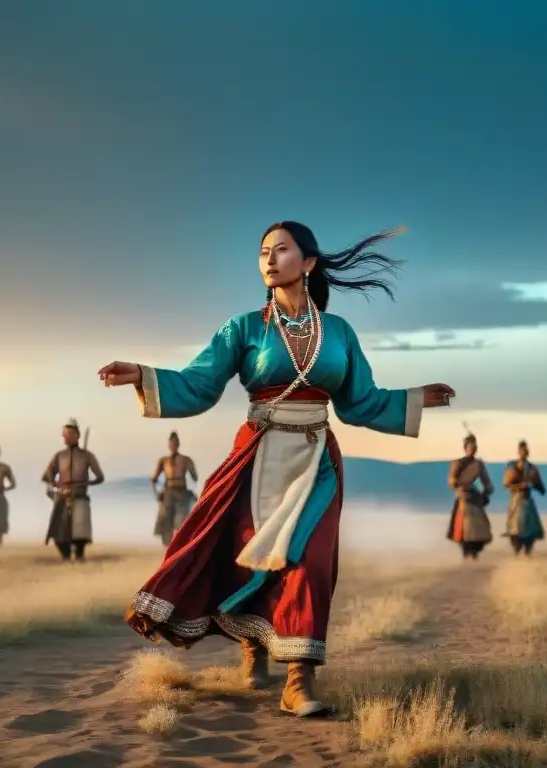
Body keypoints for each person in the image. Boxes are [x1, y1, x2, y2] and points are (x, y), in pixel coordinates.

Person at [98, 221, 455, 717]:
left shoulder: (339, 334)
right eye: (263, 252)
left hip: (316, 460)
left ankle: (298, 680)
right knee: (251, 555)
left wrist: (414, 399)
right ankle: (253, 647)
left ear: (307, 263)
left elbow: (360, 403)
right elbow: (200, 384)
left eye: (281, 250)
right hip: (257, 456)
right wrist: (144, 375)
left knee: (308, 561)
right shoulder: (244, 328)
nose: (269, 259)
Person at [42, 418, 104, 562]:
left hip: (80, 495)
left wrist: (84, 483)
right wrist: (59, 488)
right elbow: (48, 476)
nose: (66, 437)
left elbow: (100, 477)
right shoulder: (59, 456)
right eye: (65, 434)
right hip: (63, 497)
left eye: (70, 433)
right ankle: (65, 555)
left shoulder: (87, 456)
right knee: (60, 532)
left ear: (77, 435)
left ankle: (79, 554)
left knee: (79, 532)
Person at [446, 429, 494, 559]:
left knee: (480, 529)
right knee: (463, 530)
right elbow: (451, 480)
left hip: (475, 497)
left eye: (474, 447)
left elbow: (487, 483)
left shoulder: (479, 464)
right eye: (470, 447)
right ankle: (466, 554)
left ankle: (474, 554)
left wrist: (486, 494)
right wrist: (459, 489)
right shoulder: (458, 463)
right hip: (463, 498)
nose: (472, 450)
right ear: (465, 448)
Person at [152, 431, 199, 547]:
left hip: (182, 491)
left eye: (175, 443)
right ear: (169, 445)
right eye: (171, 443)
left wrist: (192, 490)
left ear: (178, 444)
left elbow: (195, 477)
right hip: (168, 491)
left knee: (181, 520)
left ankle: (179, 544)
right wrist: (158, 493)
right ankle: (168, 546)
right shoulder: (163, 460)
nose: (173, 445)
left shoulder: (186, 459)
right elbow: (154, 479)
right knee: (166, 520)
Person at [502, 440, 546, 555]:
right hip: (516, 500)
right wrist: (518, 486)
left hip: (527, 500)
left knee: (531, 529)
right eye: (522, 450)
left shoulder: (532, 468)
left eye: (526, 450)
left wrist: (537, 486)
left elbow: (540, 486)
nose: (524, 452)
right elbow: (506, 484)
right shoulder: (512, 467)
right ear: (518, 452)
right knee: (515, 528)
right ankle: (517, 551)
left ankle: (528, 551)